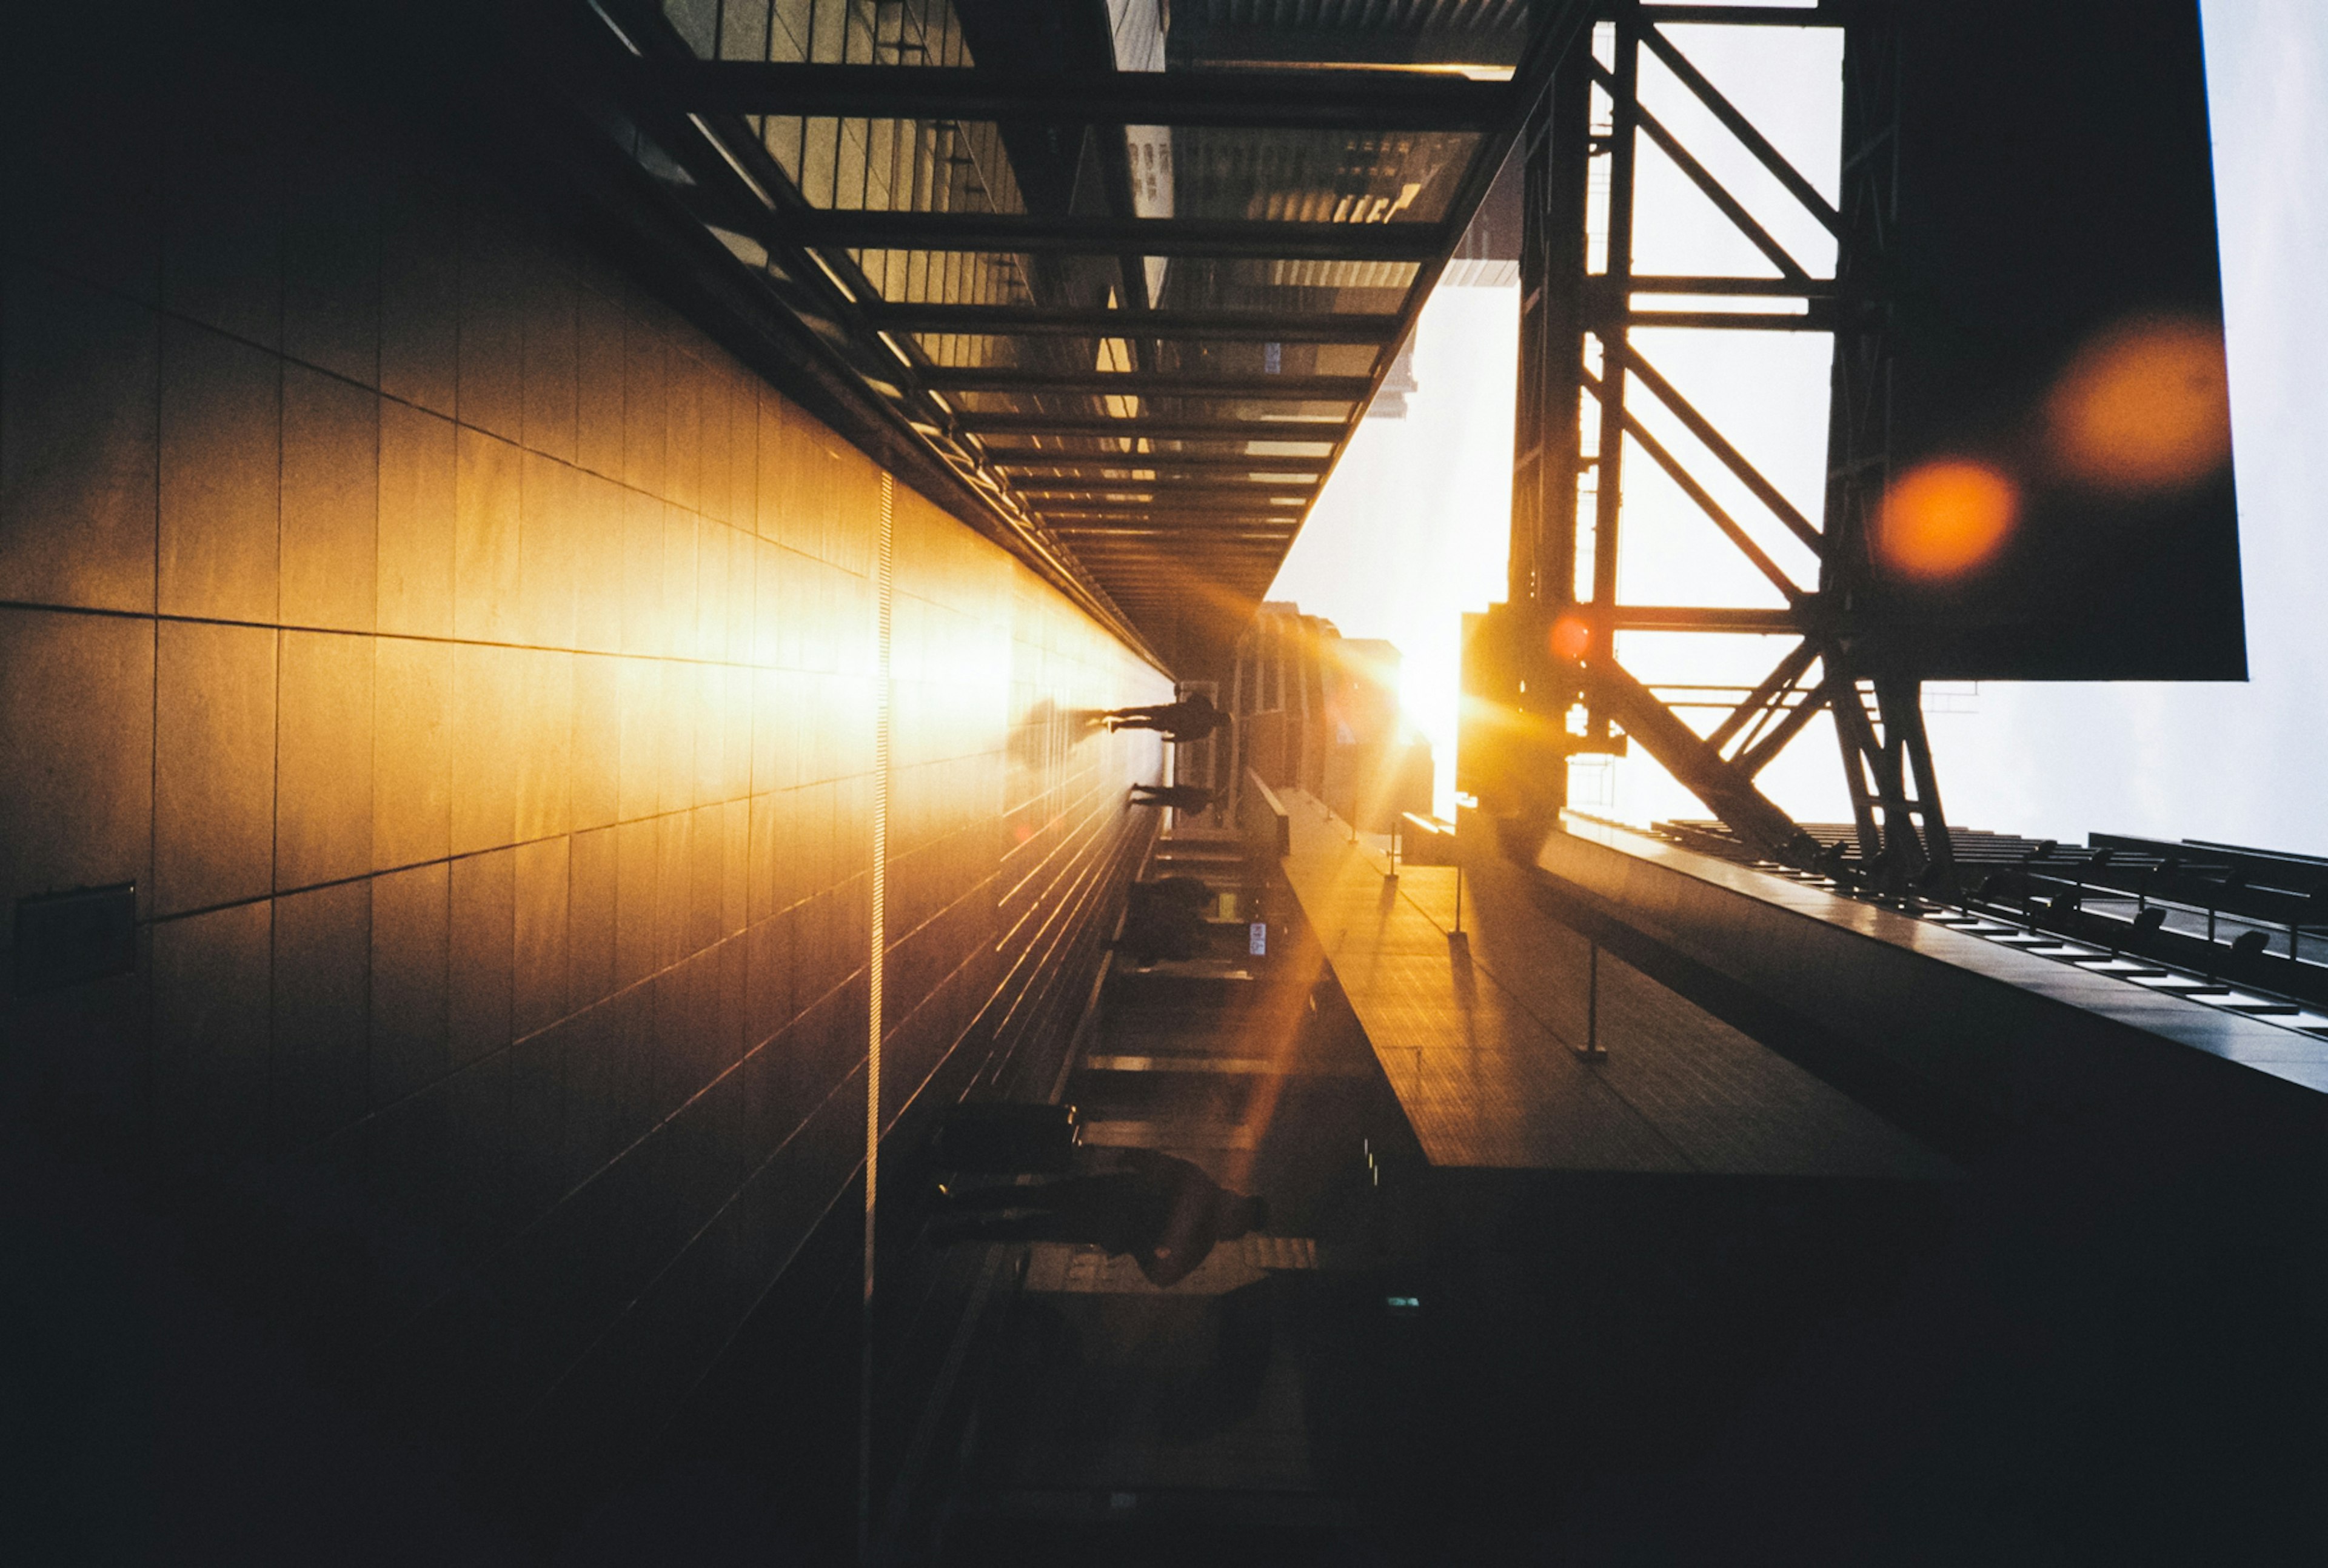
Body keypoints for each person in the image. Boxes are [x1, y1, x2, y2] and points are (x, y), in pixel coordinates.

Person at [925, 1149, 1269, 1287]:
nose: (1233, 1209)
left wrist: (1141, 1247)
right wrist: (1141, 1247)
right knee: (1030, 1215)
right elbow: (1164, 1277)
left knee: (1030, 1212)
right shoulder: (1202, 1231)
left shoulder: (1202, 1203)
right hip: (1105, 1211)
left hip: (1107, 1204)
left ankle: (954, 1212)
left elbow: (1162, 1165)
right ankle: (953, 1222)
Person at [1098, 691, 1225, 742]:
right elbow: (1187, 737)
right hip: (1171, 725)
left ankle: (1113, 713)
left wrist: (1185, 705)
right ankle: (1118, 725)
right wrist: (1172, 740)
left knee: (1142, 711)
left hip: (1170, 710)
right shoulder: (1206, 730)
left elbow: (1193, 696)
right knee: (1145, 724)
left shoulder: (1208, 706)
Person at [1129, 782, 1217, 813]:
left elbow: (1190, 789)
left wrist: (1179, 786)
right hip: (1176, 802)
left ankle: (1138, 788)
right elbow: (1191, 813)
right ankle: (1136, 802)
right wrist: (1185, 806)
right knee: (1155, 802)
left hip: (1177, 792)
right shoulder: (1201, 807)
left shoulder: (1203, 793)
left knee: (1156, 790)